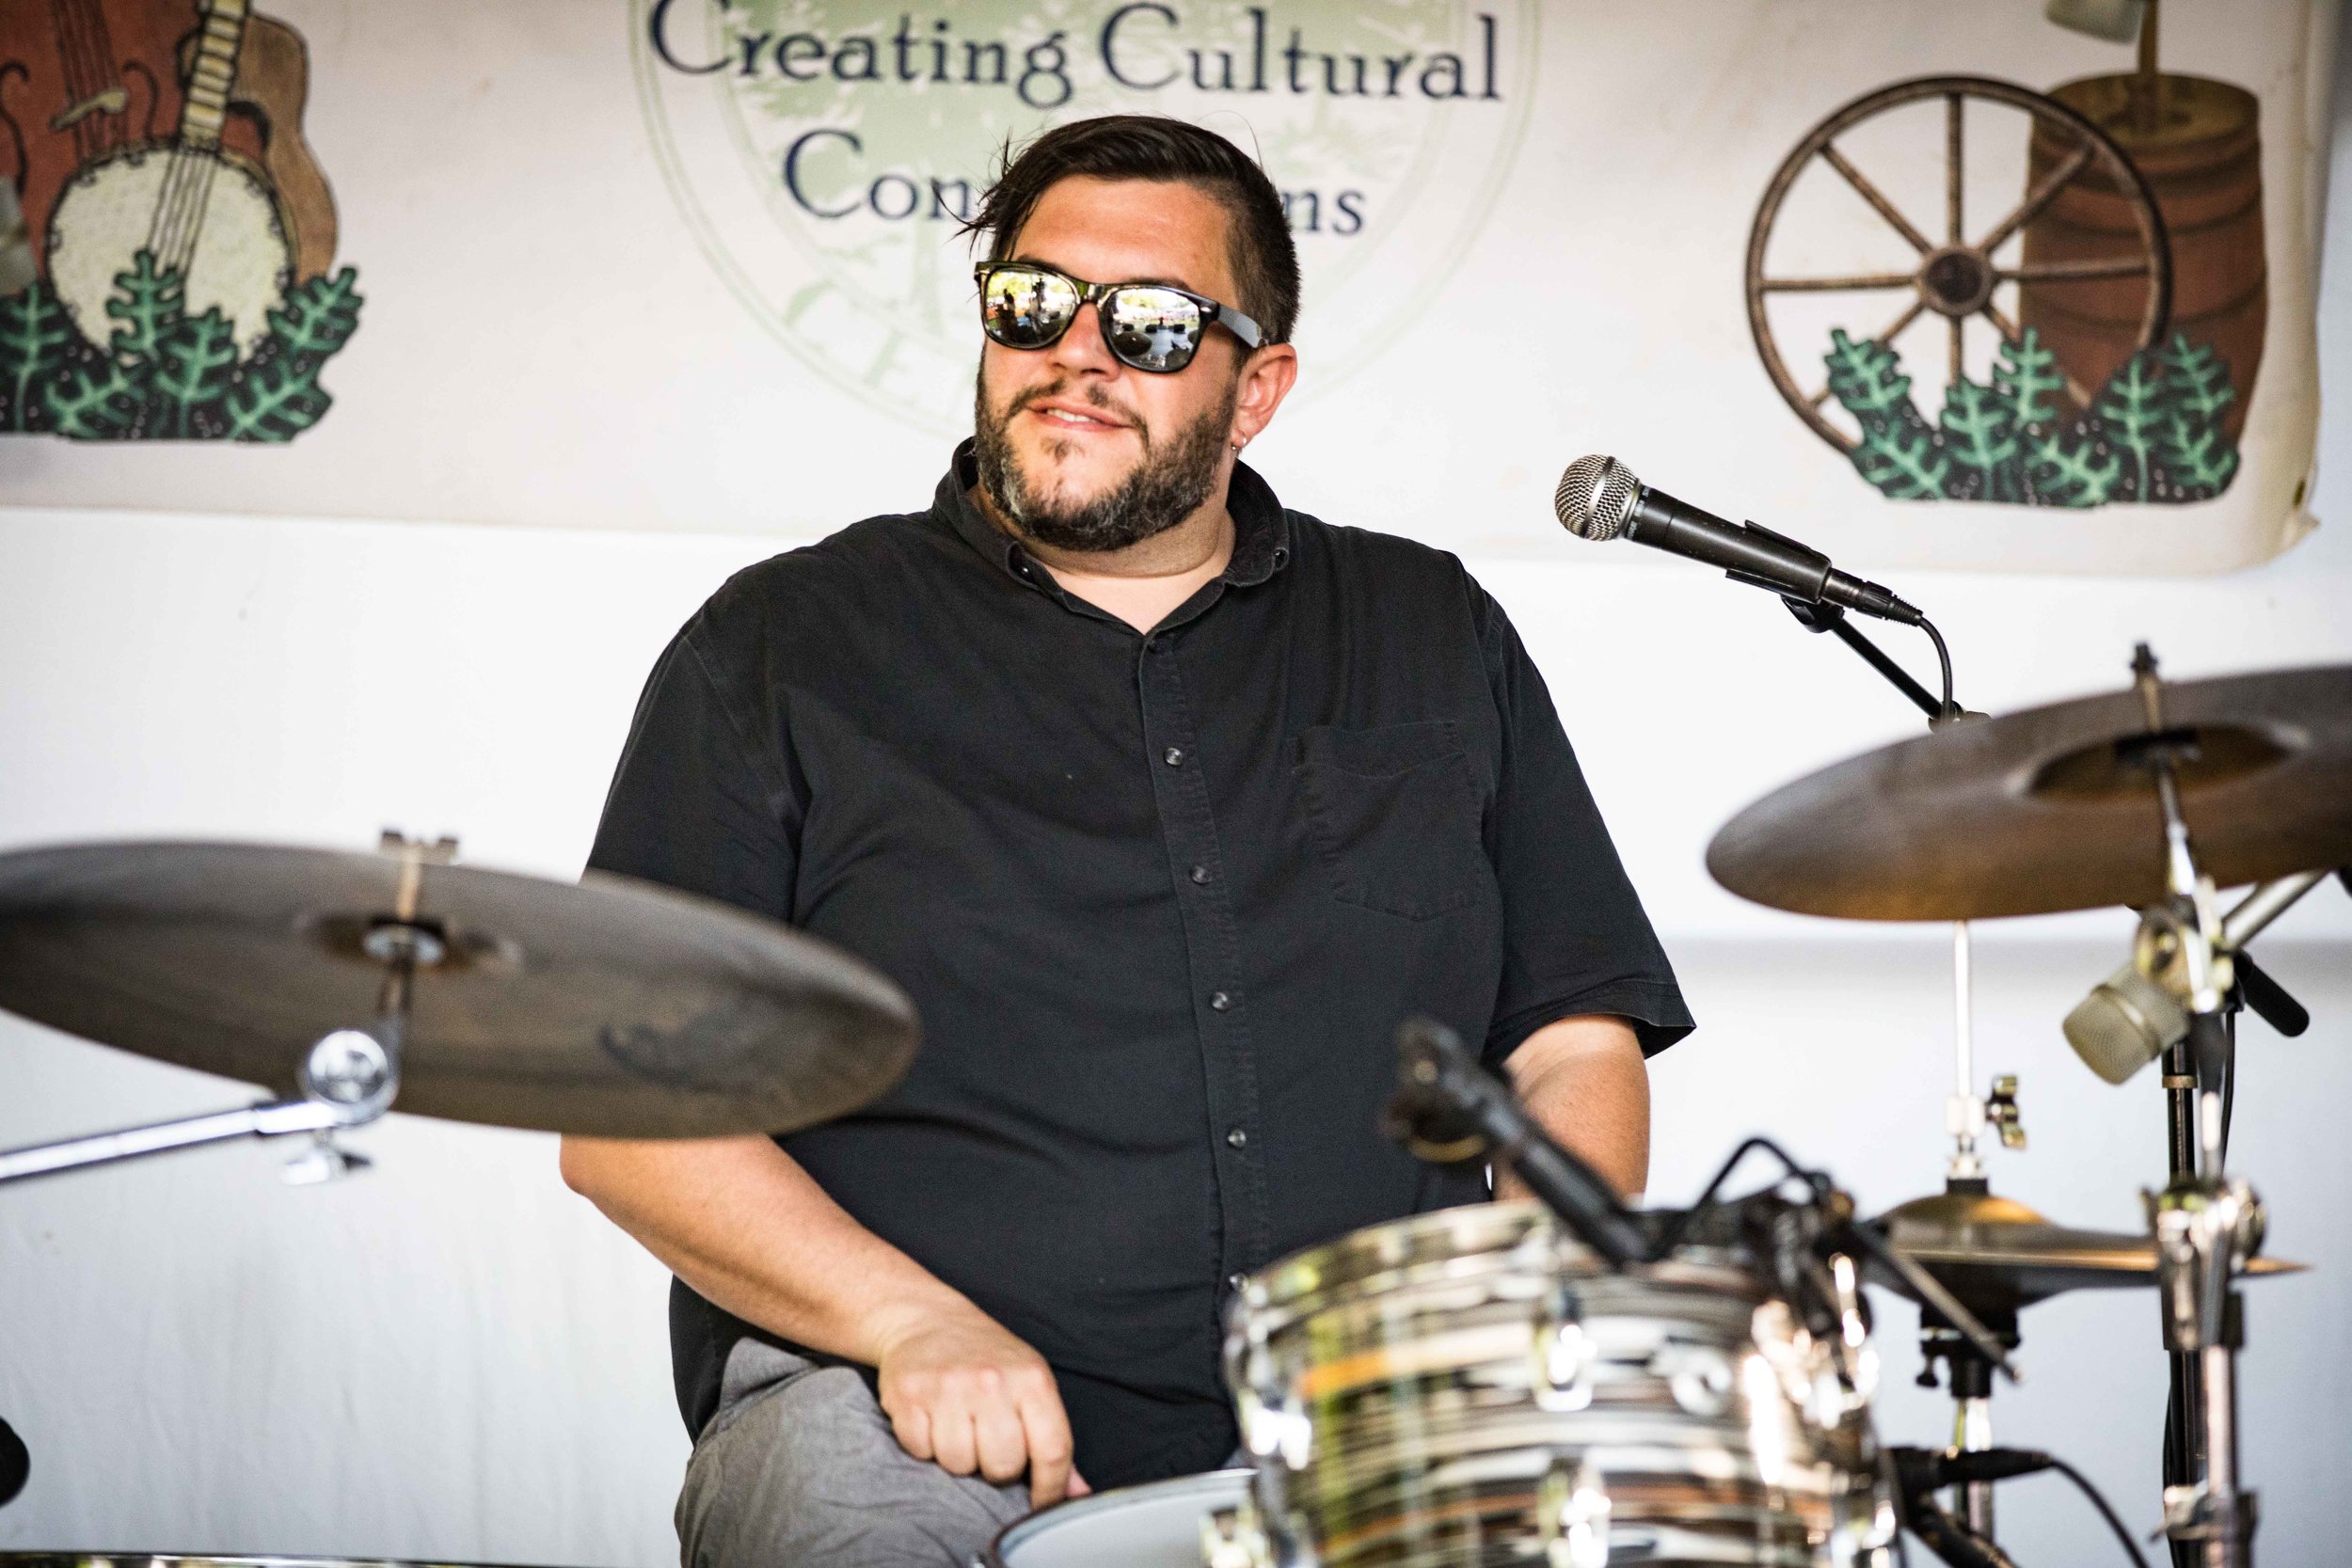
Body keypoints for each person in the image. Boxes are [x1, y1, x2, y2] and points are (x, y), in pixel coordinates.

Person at [562, 113, 1692, 1568]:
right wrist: (910, 1323)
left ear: (1258, 385)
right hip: (906, 1411)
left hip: (1370, 1427)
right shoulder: (778, 647)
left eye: (1152, 324)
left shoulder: (1432, 630)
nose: (1078, 354)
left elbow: (1567, 1039)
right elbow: (633, 1120)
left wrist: (1519, 1315)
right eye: (1035, 303)